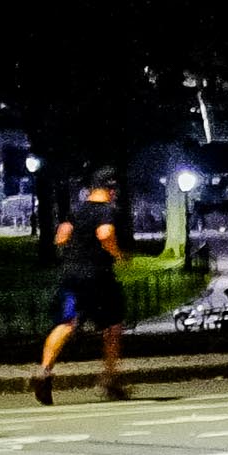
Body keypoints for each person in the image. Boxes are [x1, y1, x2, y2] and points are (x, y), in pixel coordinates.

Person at [35, 168, 132, 404]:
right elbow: (105, 233)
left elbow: (62, 236)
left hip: (71, 274)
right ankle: (110, 381)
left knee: (66, 323)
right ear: (111, 190)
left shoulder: (76, 210)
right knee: (112, 327)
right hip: (98, 276)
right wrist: (118, 254)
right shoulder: (108, 210)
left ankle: (44, 372)